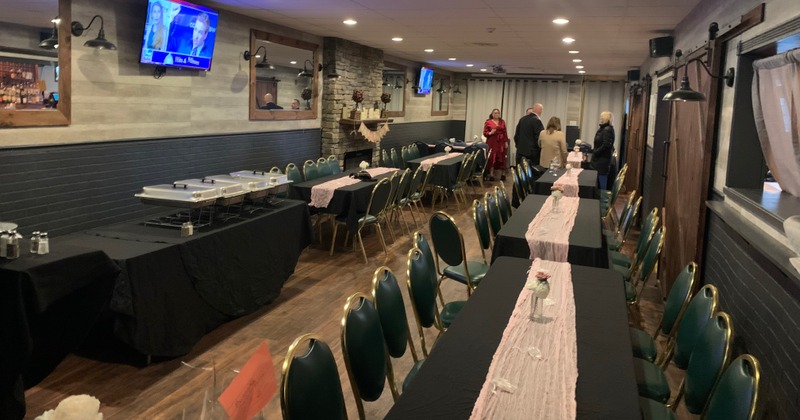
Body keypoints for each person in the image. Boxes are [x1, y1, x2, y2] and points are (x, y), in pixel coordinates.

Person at [591, 111, 615, 189]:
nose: (600, 118)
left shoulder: (607, 129)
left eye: (602, 117)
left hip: (602, 161)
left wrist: (596, 152)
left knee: (601, 184)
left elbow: (606, 145)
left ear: (606, 119)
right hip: (600, 160)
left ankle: (602, 198)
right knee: (599, 182)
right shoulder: (604, 128)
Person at [483, 108, 509, 181]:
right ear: (492, 114)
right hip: (492, 141)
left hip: (501, 142)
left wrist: (506, 141)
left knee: (502, 157)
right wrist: (490, 133)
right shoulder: (488, 122)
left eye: (498, 113)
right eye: (495, 113)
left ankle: (503, 174)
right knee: (492, 157)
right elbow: (485, 133)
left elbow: (505, 132)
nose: (496, 114)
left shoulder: (502, 121)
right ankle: (491, 174)